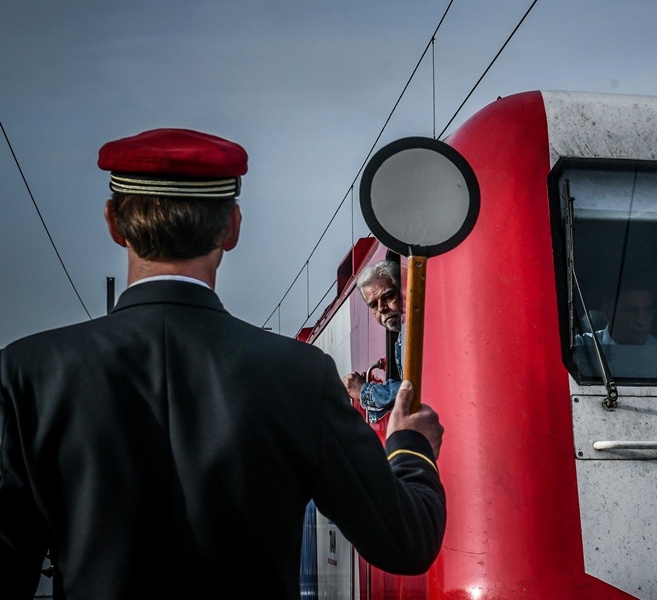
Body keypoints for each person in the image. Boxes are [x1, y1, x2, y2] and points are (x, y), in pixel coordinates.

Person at [0, 128, 446, 599]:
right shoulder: (299, 374)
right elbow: (406, 542)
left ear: (113, 222)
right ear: (232, 227)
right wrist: (409, 445)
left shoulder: (27, 374)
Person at [343, 259, 404, 423]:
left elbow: (419, 389)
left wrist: (364, 391)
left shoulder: (421, 330)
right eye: (374, 305)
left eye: (388, 296)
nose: (382, 308)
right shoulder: (401, 339)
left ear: (404, 291)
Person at [575, 283, 657, 348]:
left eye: (648, 310)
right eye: (631, 311)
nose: (641, 321)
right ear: (608, 312)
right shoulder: (582, 348)